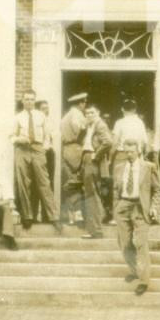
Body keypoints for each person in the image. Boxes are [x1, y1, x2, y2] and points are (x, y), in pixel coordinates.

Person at [113, 139, 160, 296]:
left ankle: (143, 281)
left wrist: (154, 208)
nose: (129, 154)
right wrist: (116, 206)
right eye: (126, 151)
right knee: (125, 243)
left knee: (140, 243)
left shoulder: (148, 167)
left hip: (140, 207)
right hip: (123, 206)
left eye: (132, 151)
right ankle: (134, 271)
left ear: (139, 151)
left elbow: (157, 190)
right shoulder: (119, 168)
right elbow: (116, 189)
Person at [11, 90, 62, 232]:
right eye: (26, 99)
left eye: (32, 99)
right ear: (22, 101)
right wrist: (18, 139)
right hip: (22, 149)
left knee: (44, 182)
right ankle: (27, 216)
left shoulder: (41, 116)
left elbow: (48, 136)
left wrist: (44, 149)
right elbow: (11, 136)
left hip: (38, 149)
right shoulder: (17, 117)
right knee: (24, 183)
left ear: (35, 101)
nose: (29, 102)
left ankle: (54, 217)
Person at [72, 104, 111, 239]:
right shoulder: (89, 126)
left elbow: (107, 142)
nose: (89, 115)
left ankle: (96, 230)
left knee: (92, 195)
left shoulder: (100, 125)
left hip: (93, 159)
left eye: (92, 113)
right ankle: (94, 229)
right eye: (87, 113)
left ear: (98, 113)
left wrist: (96, 155)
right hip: (87, 159)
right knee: (90, 194)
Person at [110, 98, 149, 217]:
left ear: (122, 109)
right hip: (137, 154)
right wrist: (142, 155)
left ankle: (117, 214)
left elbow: (115, 142)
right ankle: (136, 213)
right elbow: (145, 143)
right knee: (136, 183)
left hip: (122, 154)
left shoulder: (120, 123)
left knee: (119, 185)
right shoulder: (140, 123)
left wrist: (110, 158)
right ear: (135, 109)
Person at [60, 91, 88, 224]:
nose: (85, 105)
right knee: (77, 181)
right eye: (84, 102)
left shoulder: (65, 116)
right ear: (80, 103)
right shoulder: (77, 115)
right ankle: (77, 213)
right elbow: (80, 131)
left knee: (70, 180)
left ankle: (71, 213)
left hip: (66, 148)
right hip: (76, 148)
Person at [36, 99, 56, 222]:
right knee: (36, 183)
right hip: (38, 153)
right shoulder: (35, 123)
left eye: (47, 108)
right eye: (43, 108)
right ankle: (34, 215)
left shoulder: (50, 122)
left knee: (48, 183)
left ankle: (47, 215)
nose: (46, 111)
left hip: (48, 153)